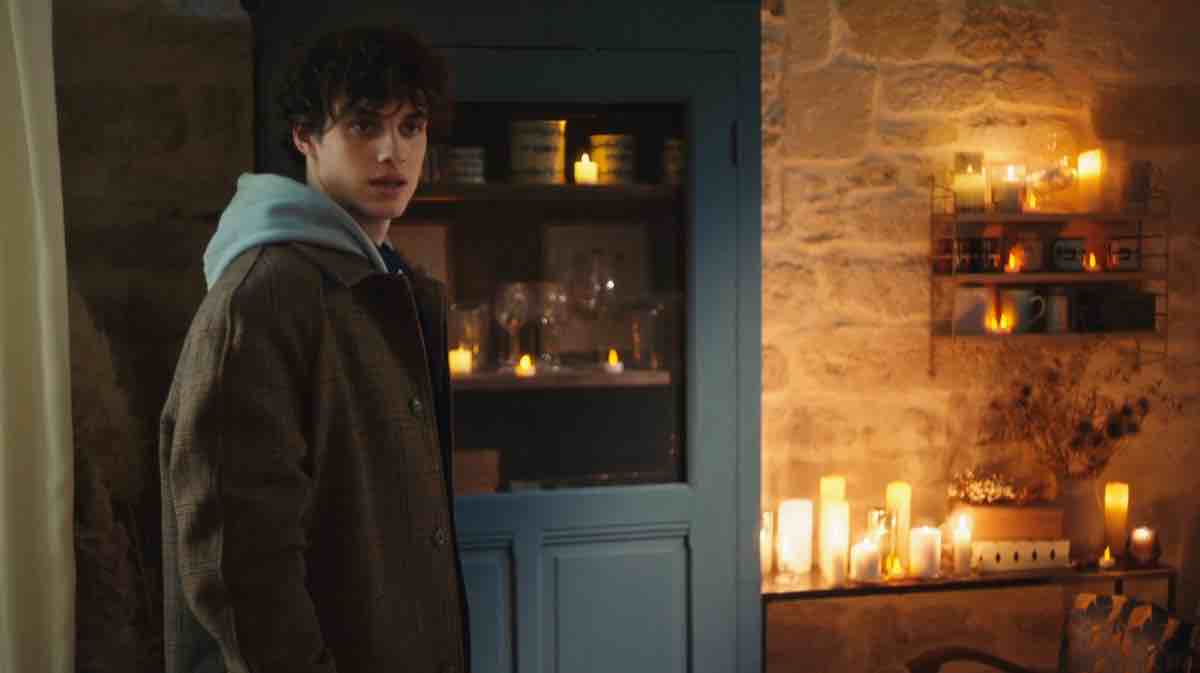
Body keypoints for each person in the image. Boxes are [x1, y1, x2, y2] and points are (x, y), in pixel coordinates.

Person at [159, 26, 469, 673]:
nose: (391, 151)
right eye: (363, 125)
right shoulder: (263, 299)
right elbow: (240, 567)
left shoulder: (383, 285)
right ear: (305, 136)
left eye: (411, 127)